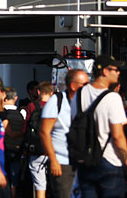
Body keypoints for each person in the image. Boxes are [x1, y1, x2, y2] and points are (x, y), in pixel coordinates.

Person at [71, 55, 127, 198]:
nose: (118, 72)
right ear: (105, 71)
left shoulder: (79, 94)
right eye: (116, 69)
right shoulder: (113, 98)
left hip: (85, 161)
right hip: (109, 161)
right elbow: (118, 137)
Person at [39, 68, 89, 198]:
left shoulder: (86, 103)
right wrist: (54, 160)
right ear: (73, 86)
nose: (88, 88)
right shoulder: (57, 101)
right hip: (62, 163)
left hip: (82, 162)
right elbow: (44, 132)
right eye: (85, 85)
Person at [24, 81, 55, 198]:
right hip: (53, 149)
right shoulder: (55, 106)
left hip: (36, 150)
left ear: (38, 92)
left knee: (39, 184)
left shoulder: (32, 106)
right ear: (51, 93)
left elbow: (25, 128)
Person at [0, 87, 24, 198]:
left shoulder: (1, 114)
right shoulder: (21, 114)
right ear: (16, 98)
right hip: (17, 149)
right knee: (14, 179)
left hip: (2, 150)